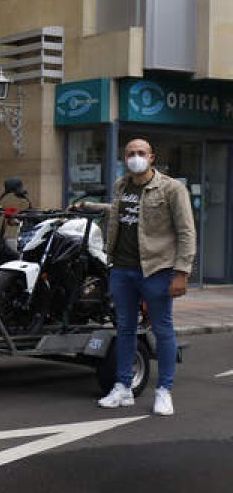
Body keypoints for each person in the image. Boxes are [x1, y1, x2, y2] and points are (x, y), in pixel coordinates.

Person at [77, 138, 195, 415]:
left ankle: (164, 391)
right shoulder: (121, 185)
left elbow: (187, 232)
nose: (135, 157)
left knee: (162, 329)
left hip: (156, 269)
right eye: (130, 153)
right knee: (125, 329)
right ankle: (123, 388)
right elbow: (123, 213)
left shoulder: (172, 189)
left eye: (141, 153)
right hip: (122, 269)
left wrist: (182, 272)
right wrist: (91, 208)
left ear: (152, 157)